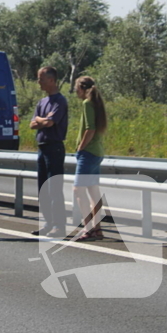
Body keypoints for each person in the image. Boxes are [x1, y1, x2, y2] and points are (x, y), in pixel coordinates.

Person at [30, 66, 68, 237]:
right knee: (43, 189)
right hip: (42, 147)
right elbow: (33, 124)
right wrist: (41, 119)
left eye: (41, 79)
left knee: (54, 189)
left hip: (54, 148)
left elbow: (51, 123)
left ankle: (59, 226)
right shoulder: (42, 102)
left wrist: (42, 120)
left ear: (51, 80)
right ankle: (48, 222)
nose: (39, 82)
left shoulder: (60, 101)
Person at [73, 75, 108, 241]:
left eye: (76, 88)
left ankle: (87, 228)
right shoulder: (97, 103)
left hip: (88, 153)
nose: (75, 91)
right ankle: (97, 228)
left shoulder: (87, 103)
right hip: (97, 152)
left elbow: (90, 129)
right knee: (94, 191)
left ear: (82, 88)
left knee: (78, 190)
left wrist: (80, 148)